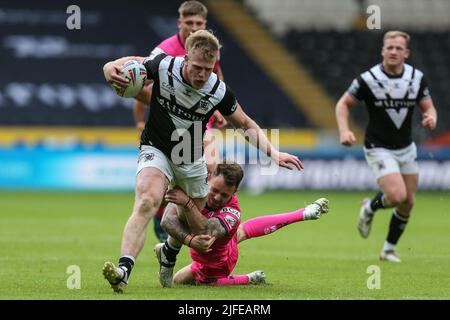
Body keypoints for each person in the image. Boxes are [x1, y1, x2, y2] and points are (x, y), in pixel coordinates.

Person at [102, 29, 303, 293]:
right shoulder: (163, 65)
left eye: (208, 69)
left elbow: (244, 123)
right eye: (197, 67)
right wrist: (108, 69)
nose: (201, 74)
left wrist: (274, 154)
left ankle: (169, 253)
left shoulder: (218, 91)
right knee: (148, 199)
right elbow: (123, 65)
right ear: (185, 58)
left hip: (189, 155)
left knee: (199, 227)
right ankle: (123, 271)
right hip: (156, 146)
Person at [335, 30, 438, 262]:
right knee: (397, 195)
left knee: (408, 201)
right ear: (382, 50)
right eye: (389, 47)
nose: (393, 52)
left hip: (406, 147)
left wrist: (431, 117)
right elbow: (343, 105)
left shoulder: (416, 78)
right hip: (378, 146)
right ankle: (369, 208)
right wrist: (344, 130)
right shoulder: (368, 79)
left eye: (398, 48)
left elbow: (428, 107)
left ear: (406, 53)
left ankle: (388, 250)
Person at [133, 1, 227, 243]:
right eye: (190, 23)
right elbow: (141, 86)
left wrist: (217, 109)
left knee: (212, 164)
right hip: (167, 122)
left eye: (199, 23)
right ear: (180, 23)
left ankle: (182, 217)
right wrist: (140, 123)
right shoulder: (163, 51)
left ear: (205, 24)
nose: (194, 28)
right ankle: (166, 215)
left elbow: (217, 80)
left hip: (198, 122)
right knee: (168, 171)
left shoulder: (207, 49)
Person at [159, 163, 329, 286]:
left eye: (224, 195)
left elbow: (202, 230)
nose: (217, 198)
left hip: (217, 263)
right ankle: (303, 213)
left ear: (234, 192)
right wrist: (189, 239)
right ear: (209, 178)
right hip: (223, 241)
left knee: (179, 280)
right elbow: (166, 221)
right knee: (240, 232)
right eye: (215, 190)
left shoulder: (233, 212)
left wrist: (187, 204)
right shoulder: (198, 187)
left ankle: (248, 278)